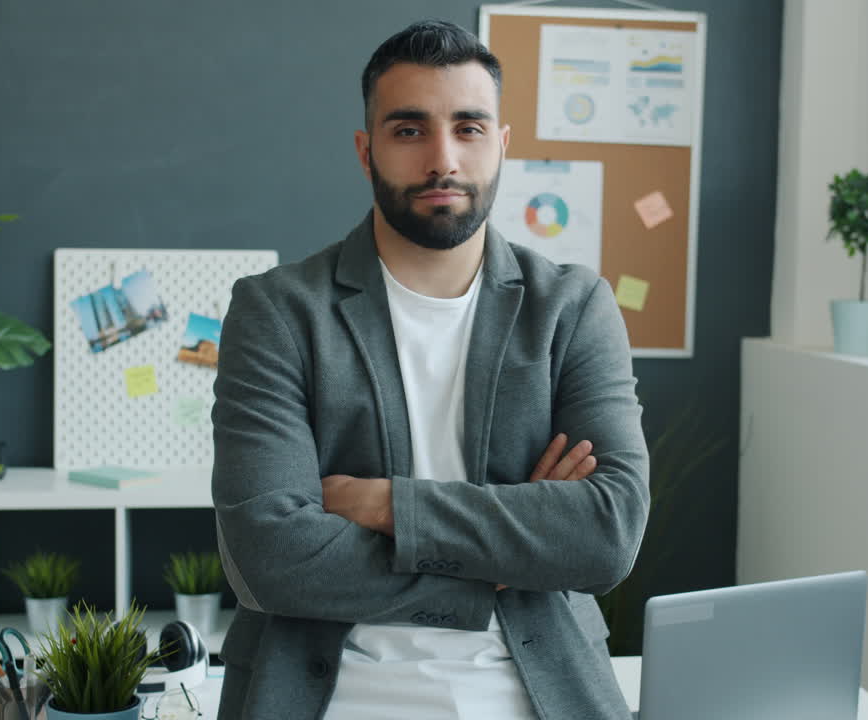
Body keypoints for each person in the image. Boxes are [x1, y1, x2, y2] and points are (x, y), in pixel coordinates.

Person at [211, 19, 649, 720]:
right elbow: (271, 558)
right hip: (331, 696)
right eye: (409, 130)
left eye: (469, 128)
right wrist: (504, 563)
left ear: (502, 145)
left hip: (535, 692)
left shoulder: (573, 308)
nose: (442, 158)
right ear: (366, 150)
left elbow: (606, 534)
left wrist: (382, 503)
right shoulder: (278, 311)